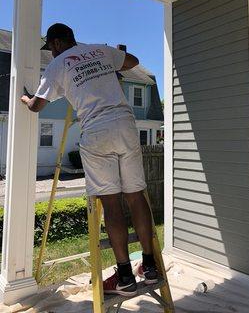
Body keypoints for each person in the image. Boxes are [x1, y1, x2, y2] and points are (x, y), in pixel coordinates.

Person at [21, 23, 158, 296]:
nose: (51, 53)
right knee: (136, 196)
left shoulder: (58, 64)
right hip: (126, 124)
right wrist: (109, 64)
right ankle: (151, 266)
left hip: (97, 129)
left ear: (57, 43)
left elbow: (38, 105)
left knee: (110, 201)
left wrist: (25, 98)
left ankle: (125, 276)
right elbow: (133, 61)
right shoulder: (99, 50)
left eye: (51, 48)